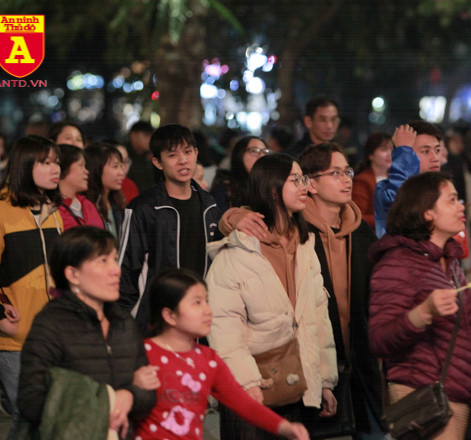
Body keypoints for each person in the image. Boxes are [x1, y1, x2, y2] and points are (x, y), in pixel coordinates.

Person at [369, 172, 471, 439]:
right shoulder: (398, 262)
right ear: (427, 213)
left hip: (457, 392)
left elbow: (463, 326)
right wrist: (422, 313)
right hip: (422, 394)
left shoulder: (449, 261)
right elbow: (379, 339)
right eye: (452, 200)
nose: (461, 206)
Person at [206, 153, 337, 439]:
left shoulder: (305, 245)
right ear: (273, 188)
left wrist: (324, 381)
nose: (304, 186)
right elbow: (225, 329)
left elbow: (317, 317)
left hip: (300, 388)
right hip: (255, 390)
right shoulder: (238, 253)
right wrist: (247, 384)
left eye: (304, 179)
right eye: (295, 180)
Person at [135, 268, 310, 440]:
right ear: (170, 315)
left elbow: (242, 402)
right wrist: (133, 386)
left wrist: (284, 427)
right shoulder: (143, 354)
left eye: (207, 301)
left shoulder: (208, 359)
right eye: (197, 303)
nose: (208, 310)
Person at [17, 227, 156, 439]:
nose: (116, 269)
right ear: (73, 274)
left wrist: (130, 396)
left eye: (114, 259)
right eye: (103, 261)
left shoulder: (123, 322)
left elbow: (149, 390)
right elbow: (31, 402)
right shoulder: (51, 325)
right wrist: (110, 400)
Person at [299, 143, 384, 437]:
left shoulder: (360, 231)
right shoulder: (296, 231)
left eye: (347, 171)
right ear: (310, 184)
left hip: (361, 359)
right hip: (314, 362)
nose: (346, 179)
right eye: (335, 173)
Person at [0, 135, 62, 434]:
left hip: (47, 335)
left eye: (56, 162)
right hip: (13, 337)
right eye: (46, 162)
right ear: (26, 166)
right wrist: (1, 318)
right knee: (29, 415)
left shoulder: (52, 212)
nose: (55, 169)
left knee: (45, 417)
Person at [118, 124, 221, 334]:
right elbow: (126, 271)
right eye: (172, 155)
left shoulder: (209, 204)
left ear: (196, 154)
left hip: (200, 319)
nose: (183, 160)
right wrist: (124, 327)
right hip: (156, 322)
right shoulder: (143, 208)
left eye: (187, 152)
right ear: (157, 162)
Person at [373, 121, 443, 238]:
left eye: (437, 150)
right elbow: (400, 208)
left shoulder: (443, 188)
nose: (435, 158)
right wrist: (404, 152)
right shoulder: (384, 190)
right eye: (425, 151)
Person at [210, 135, 271, 212]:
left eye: (264, 152)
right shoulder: (226, 185)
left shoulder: (271, 185)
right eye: (254, 151)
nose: (261, 156)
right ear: (240, 154)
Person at [57, 144, 105, 230]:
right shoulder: (53, 209)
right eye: (81, 165)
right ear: (63, 168)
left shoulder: (87, 204)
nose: (86, 171)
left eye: (85, 166)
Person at [84, 143, 127, 238]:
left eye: (121, 166)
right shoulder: (87, 205)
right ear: (97, 168)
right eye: (115, 166)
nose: (121, 173)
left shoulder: (116, 201)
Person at [352, 132, 393, 229]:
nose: (389, 154)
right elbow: (357, 217)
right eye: (384, 150)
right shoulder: (362, 180)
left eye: (391, 149)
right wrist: (388, 220)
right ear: (371, 155)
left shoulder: (395, 177)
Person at [127, 120, 158, 192]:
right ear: (133, 135)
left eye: (151, 136)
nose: (150, 140)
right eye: (146, 135)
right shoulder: (124, 155)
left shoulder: (149, 157)